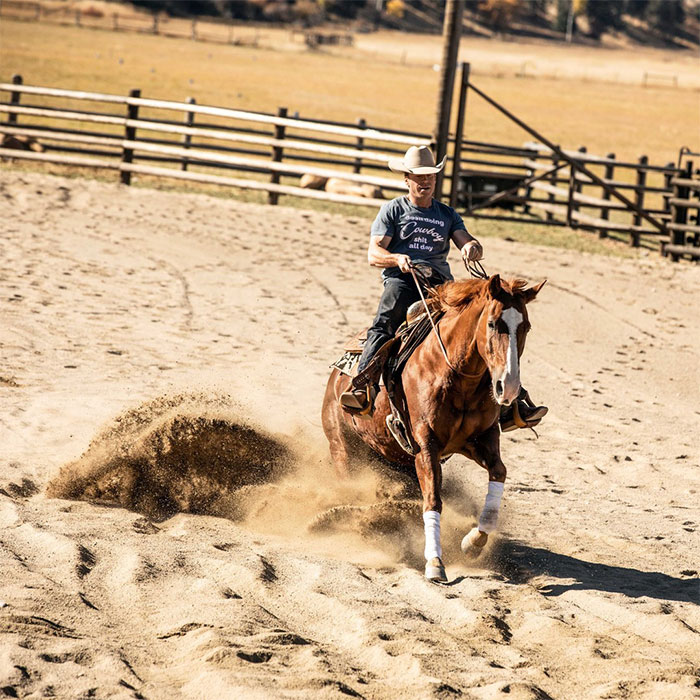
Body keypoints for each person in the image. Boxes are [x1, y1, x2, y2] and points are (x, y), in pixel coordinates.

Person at [339, 145, 547, 431]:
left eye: (430, 176)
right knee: (385, 324)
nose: (425, 182)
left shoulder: (446, 214)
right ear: (407, 179)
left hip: (440, 285)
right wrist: (396, 258)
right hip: (402, 281)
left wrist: (472, 247)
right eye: (418, 176)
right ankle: (362, 386)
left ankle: (512, 402)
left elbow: (466, 239)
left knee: (477, 329)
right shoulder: (393, 210)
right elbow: (373, 254)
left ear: (435, 179)